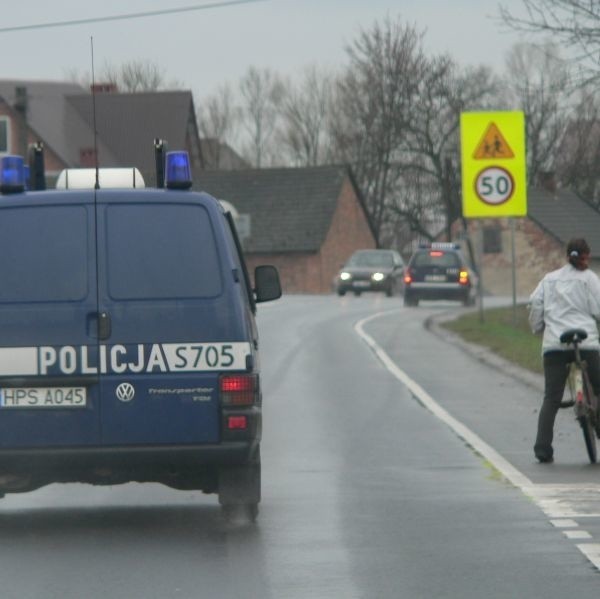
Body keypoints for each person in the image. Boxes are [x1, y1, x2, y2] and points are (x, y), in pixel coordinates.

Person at [528, 238, 600, 463]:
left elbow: (535, 304)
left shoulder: (549, 280)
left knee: (552, 397)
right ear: (586, 256)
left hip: (555, 345)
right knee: (598, 387)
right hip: (586, 343)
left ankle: (542, 448)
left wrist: (538, 328)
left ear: (567, 255)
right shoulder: (590, 279)